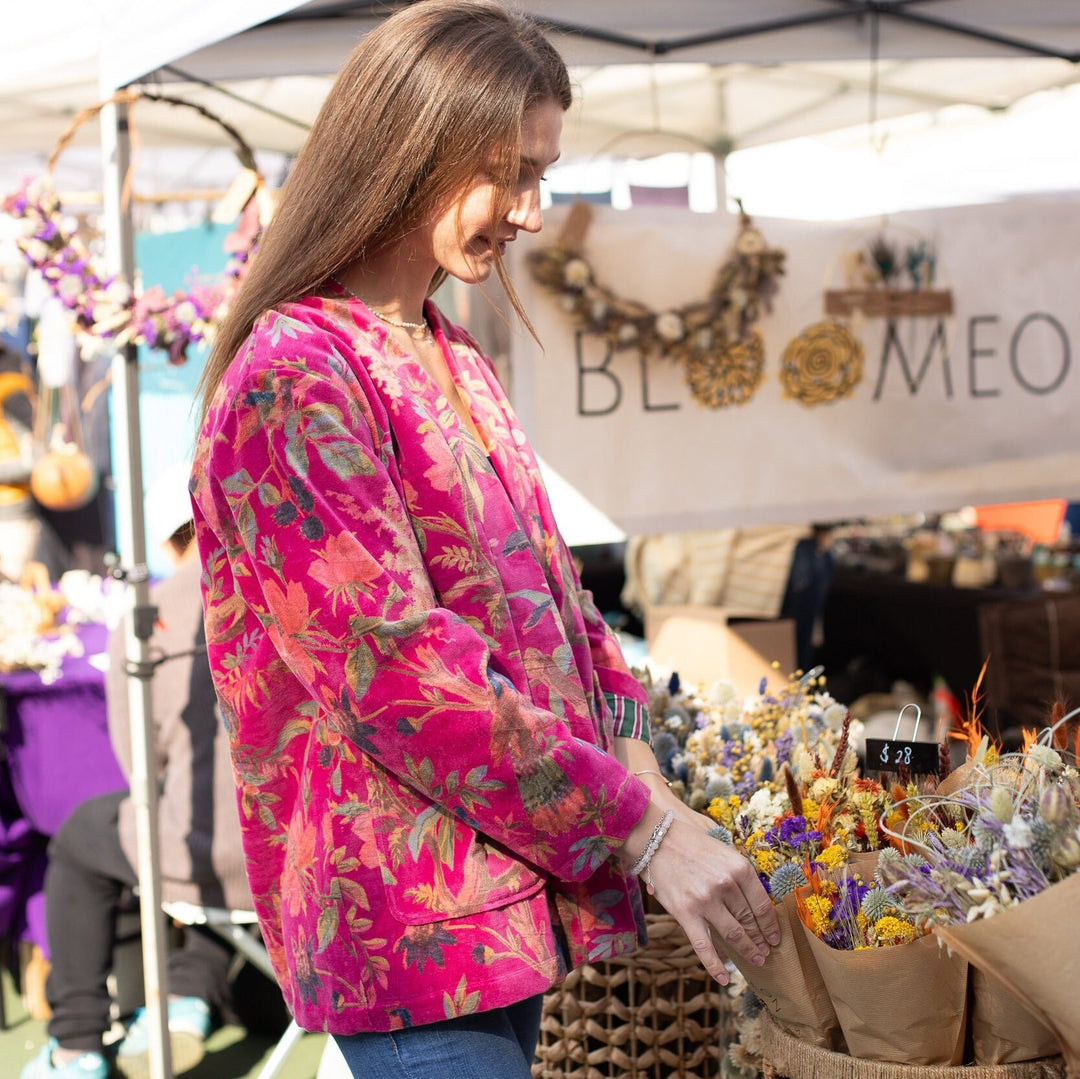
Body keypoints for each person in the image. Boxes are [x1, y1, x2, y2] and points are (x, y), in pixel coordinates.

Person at [189, 3, 780, 1076]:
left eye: (542, 173)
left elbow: (559, 596)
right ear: (411, 151)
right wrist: (643, 827)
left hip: (497, 902)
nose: (534, 211)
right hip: (406, 924)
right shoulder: (295, 376)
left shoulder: (442, 349)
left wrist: (634, 747)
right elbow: (400, 674)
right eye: (511, 172)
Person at [21, 465, 251, 1079]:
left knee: (81, 836)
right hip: (304, 851)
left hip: (211, 854)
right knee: (217, 819)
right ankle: (187, 995)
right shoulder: (286, 584)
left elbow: (140, 772)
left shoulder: (150, 615)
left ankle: (76, 1044)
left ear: (170, 539)